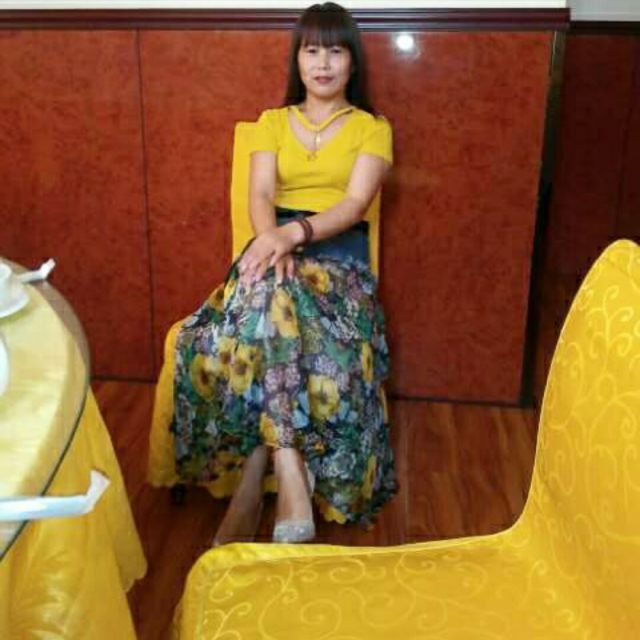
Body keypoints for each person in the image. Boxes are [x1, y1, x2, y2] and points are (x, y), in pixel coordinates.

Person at [168, 1, 397, 545]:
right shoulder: (271, 123)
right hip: (271, 247)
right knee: (263, 306)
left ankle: (254, 480)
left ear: (353, 61)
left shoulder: (372, 129)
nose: (323, 63)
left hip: (338, 261)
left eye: (335, 51)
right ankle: (288, 468)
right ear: (297, 60)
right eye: (311, 51)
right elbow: (261, 194)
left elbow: (354, 204)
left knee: (271, 311)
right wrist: (272, 242)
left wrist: (292, 236)